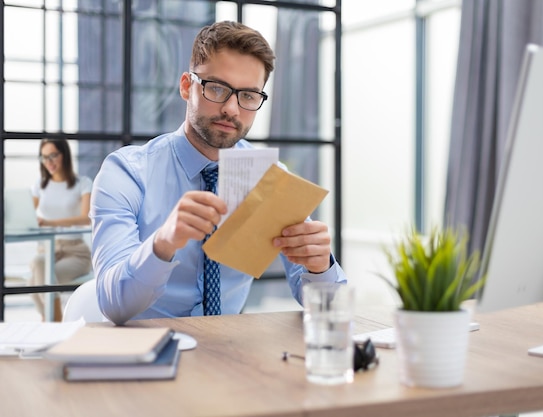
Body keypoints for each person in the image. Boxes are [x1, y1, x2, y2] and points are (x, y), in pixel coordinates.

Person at [90, 21, 347, 325]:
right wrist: (162, 243)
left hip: (230, 352)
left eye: (249, 95)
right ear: (187, 86)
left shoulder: (269, 177)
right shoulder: (127, 172)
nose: (232, 109)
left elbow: (332, 312)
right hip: (149, 352)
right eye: (217, 88)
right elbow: (113, 304)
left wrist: (319, 267)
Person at [30, 139, 93, 320]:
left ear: (64, 155)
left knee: (36, 279)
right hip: (48, 250)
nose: (49, 162)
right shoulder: (40, 186)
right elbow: (28, 214)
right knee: (38, 265)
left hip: (75, 252)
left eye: (53, 155)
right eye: (44, 157)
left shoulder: (82, 183)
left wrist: (50, 222)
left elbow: (85, 218)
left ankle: (51, 322)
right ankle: (54, 322)